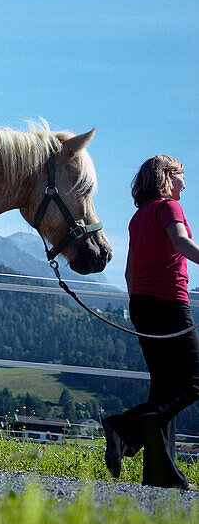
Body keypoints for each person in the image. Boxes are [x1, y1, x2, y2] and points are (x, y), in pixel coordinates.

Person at [102, 156, 199, 489]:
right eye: (183, 176)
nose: (186, 183)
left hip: (142, 305)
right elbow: (181, 244)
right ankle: (124, 427)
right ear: (169, 177)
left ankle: (160, 476)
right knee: (192, 383)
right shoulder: (169, 208)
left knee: (163, 389)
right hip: (170, 302)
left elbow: (129, 272)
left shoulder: (138, 217)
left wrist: (137, 305)